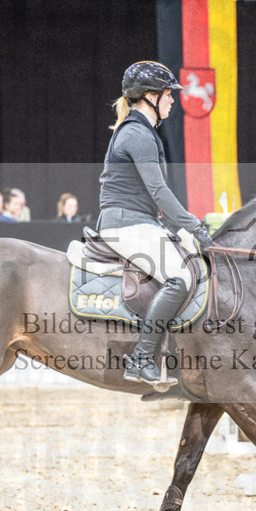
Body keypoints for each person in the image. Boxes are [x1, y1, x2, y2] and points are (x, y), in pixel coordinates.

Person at [98, 61, 213, 387]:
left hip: (137, 221)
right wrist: (193, 225)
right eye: (168, 95)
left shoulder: (140, 131)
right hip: (126, 224)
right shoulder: (137, 133)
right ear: (150, 96)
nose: (173, 101)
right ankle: (141, 358)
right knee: (178, 278)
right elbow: (159, 191)